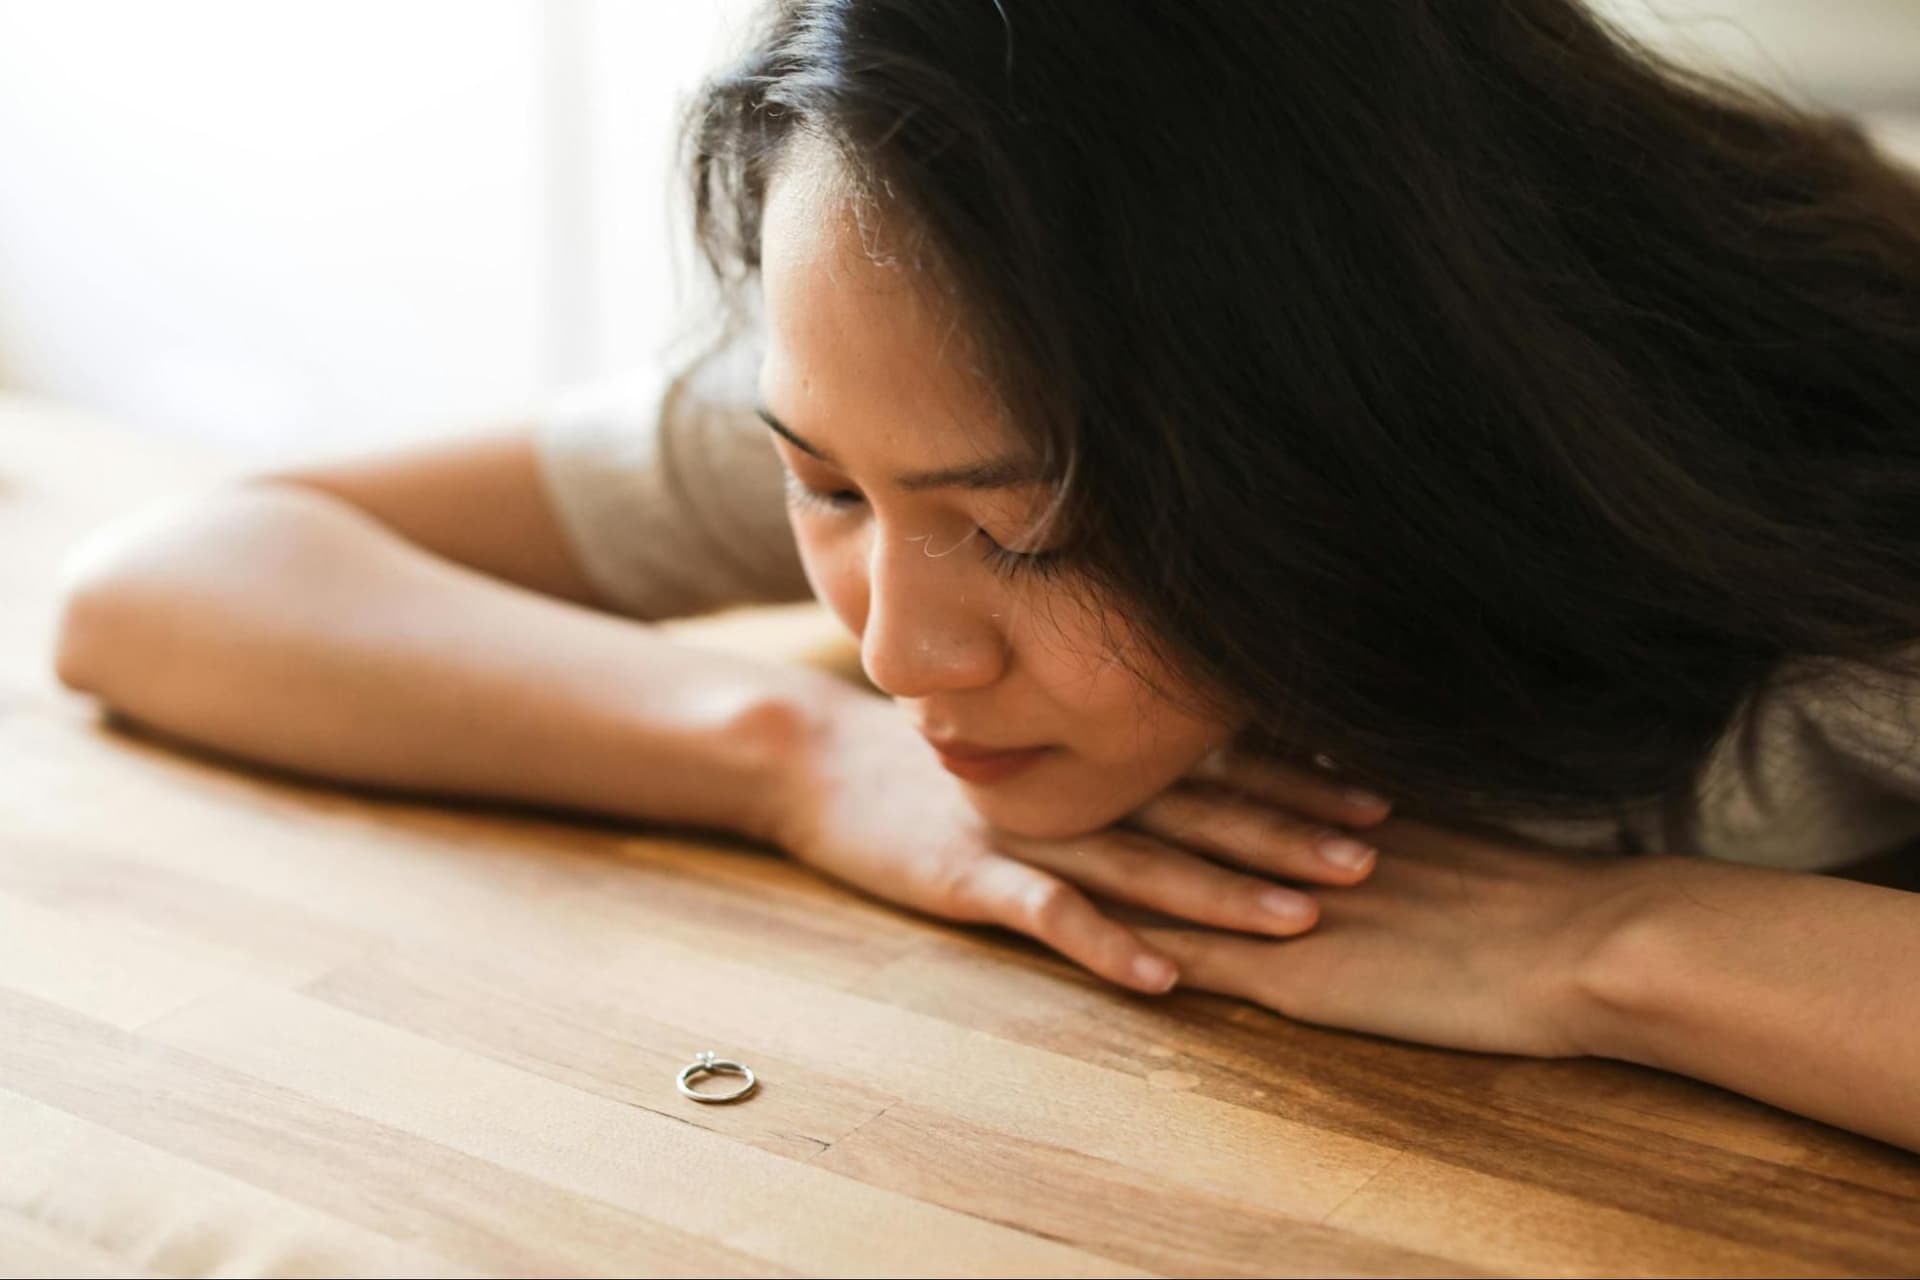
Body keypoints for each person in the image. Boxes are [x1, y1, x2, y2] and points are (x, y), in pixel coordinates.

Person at [52, 0, 1920, 1153]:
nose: (903, 646)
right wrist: (797, 758)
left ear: (1374, 430)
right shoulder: (926, 341)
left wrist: (1602, 947)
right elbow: (171, 578)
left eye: (1034, 536)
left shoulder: (1836, 525)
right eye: (823, 491)